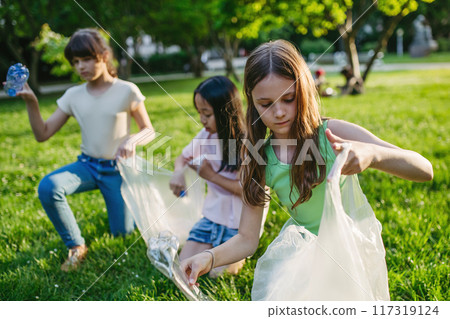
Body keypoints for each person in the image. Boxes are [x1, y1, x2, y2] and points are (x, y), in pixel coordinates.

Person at [180, 40, 433, 294]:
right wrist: (209, 257)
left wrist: (373, 154)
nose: (279, 112)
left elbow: (424, 169)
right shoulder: (258, 158)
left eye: (288, 99)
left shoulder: (331, 133)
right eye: (266, 104)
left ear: (304, 90)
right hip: (303, 254)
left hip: (348, 251)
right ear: (252, 102)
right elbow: (247, 239)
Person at [14, 28, 155, 271]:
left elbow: (148, 131)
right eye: (76, 62)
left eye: (87, 59)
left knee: (121, 234)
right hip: (88, 165)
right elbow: (42, 134)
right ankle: (76, 246)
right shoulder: (73, 95)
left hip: (117, 171)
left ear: (103, 56)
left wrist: (132, 140)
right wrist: (32, 102)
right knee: (49, 187)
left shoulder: (127, 90)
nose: (81, 66)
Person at [169, 76, 247, 276]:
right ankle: (212, 245)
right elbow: (182, 157)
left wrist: (210, 176)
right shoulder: (206, 136)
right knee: (182, 268)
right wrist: (178, 173)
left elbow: (249, 193)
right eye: (199, 113)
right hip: (212, 218)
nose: (202, 120)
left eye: (207, 114)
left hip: (240, 226)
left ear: (226, 112)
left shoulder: (247, 143)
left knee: (218, 274)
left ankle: (236, 255)